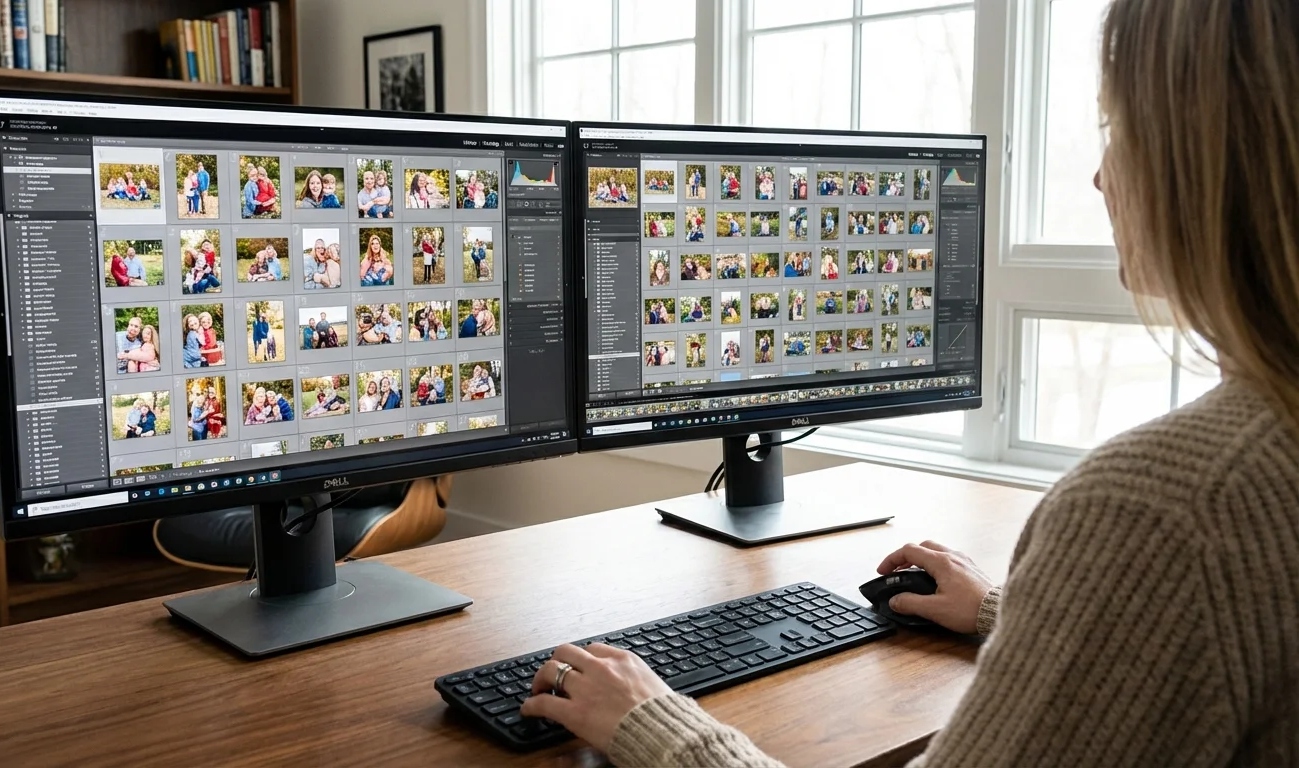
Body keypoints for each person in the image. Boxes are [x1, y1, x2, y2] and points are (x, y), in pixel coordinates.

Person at [519, 1, 1299, 763]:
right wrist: (1019, 615)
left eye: (1120, 130)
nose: (1099, 176)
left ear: (1209, 159)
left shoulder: (1164, 507)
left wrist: (654, 725)